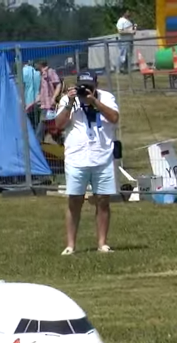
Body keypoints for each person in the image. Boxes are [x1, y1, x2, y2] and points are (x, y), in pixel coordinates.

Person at [54, 71, 120, 255]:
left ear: (96, 85)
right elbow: (58, 125)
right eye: (82, 86)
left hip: (102, 156)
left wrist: (94, 102)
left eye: (89, 86)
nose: (85, 90)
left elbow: (114, 118)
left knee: (103, 200)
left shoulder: (106, 97)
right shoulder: (69, 100)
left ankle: (102, 243)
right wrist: (69, 104)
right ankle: (70, 245)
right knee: (74, 201)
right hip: (77, 158)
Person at [35, 60, 62, 144]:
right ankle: (60, 142)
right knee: (49, 127)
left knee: (42, 128)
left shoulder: (50, 72)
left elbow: (58, 84)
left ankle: (37, 145)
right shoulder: (41, 74)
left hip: (49, 106)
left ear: (39, 64)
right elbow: (42, 90)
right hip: (44, 105)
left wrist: (54, 97)